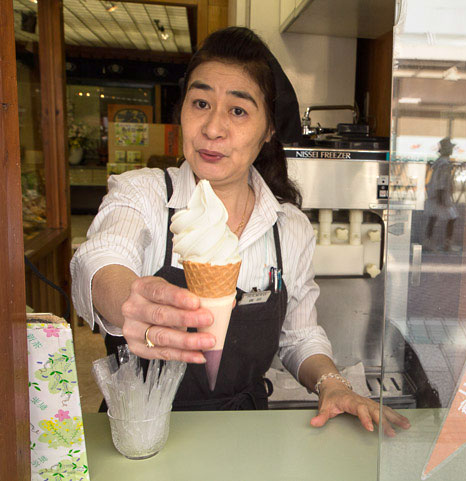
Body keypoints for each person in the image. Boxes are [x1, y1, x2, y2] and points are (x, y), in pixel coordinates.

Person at [70, 27, 409, 435]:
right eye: (200, 103)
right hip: (141, 432)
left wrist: (332, 384)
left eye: (238, 111)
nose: (213, 129)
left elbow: (299, 336)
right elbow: (101, 258)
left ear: (268, 131)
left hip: (244, 432)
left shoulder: (289, 228)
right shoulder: (143, 193)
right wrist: (130, 301)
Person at [423, 137, 458, 251]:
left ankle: (429, 242)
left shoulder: (441, 162)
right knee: (451, 218)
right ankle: (446, 244)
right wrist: (442, 197)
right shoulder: (444, 163)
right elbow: (441, 181)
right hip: (440, 196)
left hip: (437, 195)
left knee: (433, 218)